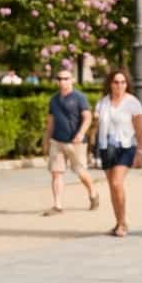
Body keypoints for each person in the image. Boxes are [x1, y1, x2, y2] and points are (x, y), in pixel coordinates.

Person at [93, 68, 142, 237]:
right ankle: (119, 222)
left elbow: (139, 129)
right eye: (116, 82)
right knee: (113, 188)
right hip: (106, 147)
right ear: (110, 84)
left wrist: (140, 150)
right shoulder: (102, 103)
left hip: (126, 146)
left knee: (116, 183)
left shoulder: (133, 103)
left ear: (127, 84)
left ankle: (122, 223)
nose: (119, 85)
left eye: (123, 82)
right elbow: (96, 127)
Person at [42, 69, 100, 216]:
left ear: (72, 80)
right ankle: (57, 206)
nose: (62, 81)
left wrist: (81, 134)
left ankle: (93, 193)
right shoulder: (54, 99)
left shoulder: (79, 97)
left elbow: (87, 117)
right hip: (57, 141)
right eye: (60, 79)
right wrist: (46, 140)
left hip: (76, 143)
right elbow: (51, 121)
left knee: (80, 172)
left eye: (66, 79)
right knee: (56, 173)